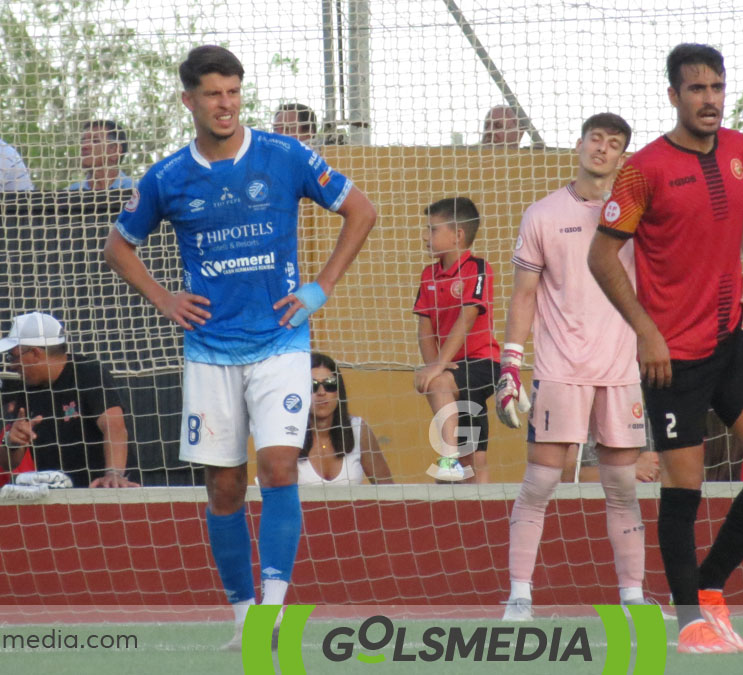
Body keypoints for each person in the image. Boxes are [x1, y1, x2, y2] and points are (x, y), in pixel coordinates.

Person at [102, 45, 377, 650]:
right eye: (212, 94)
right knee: (224, 488)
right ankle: (240, 616)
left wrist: (320, 286)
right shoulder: (168, 176)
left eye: (232, 91)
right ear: (189, 100)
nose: (225, 104)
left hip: (281, 341)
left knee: (279, 467)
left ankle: (270, 617)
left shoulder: (284, 154)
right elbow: (119, 247)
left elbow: (361, 210)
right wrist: (164, 298)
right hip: (208, 350)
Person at [588, 43, 743, 654]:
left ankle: (708, 588)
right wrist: (645, 331)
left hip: (732, 338)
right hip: (671, 356)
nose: (709, 99)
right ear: (674, 95)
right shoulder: (643, 169)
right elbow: (601, 256)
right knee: (685, 489)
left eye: (716, 87)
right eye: (696, 89)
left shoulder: (742, 151)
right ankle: (689, 624)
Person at [495, 113, 649, 620]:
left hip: (622, 367)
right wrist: (511, 365)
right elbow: (523, 296)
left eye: (614, 144)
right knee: (540, 483)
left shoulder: (636, 215)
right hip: (560, 368)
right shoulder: (541, 214)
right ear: (579, 144)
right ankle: (520, 594)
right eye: (596, 139)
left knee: (622, 488)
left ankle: (632, 597)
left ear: (623, 157)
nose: (602, 149)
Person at [0, 312, 137, 489]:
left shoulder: (88, 373)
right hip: (57, 500)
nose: (11, 365)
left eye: (13, 356)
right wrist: (11, 442)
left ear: (35, 353)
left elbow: (114, 427)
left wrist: (113, 474)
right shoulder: (25, 389)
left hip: (103, 492)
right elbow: (7, 464)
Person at [412, 197, 501, 483]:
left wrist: (438, 367)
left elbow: (467, 319)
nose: (426, 236)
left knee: (437, 382)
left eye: (433, 229)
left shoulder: (478, 268)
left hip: (482, 364)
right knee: (475, 456)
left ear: (458, 235)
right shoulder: (429, 275)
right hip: (452, 368)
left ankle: (446, 458)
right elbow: (425, 329)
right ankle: (456, 467)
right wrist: (432, 366)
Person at [298, 353, 392, 486]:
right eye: (312, 385)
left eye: (330, 384)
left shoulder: (358, 429)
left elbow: (388, 491)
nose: (321, 392)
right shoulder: (289, 435)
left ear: (339, 390)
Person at [67, 120, 135, 190]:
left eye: (95, 141)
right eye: (83, 141)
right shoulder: (68, 195)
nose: (84, 146)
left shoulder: (137, 192)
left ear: (115, 150)